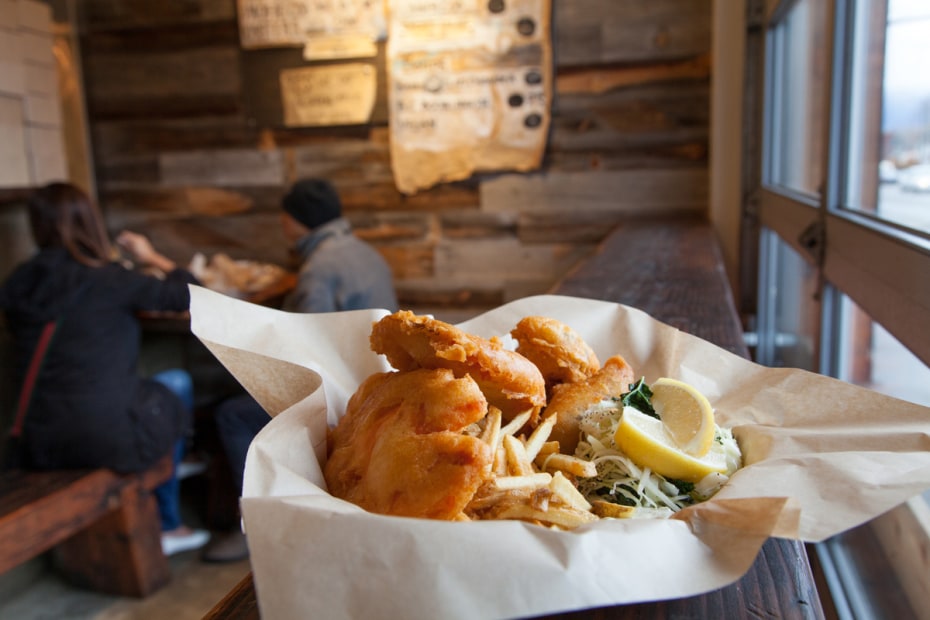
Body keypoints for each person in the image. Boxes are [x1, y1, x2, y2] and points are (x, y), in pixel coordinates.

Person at [0, 182, 210, 556]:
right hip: (104, 439)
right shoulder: (111, 280)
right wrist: (152, 256)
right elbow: (192, 293)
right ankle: (168, 521)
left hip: (40, 440)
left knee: (132, 393)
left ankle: (177, 467)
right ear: (89, 223)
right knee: (175, 383)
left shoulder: (18, 283)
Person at [202, 178, 398, 562]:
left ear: (296, 220)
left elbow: (304, 348)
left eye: (284, 215)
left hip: (345, 390)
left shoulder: (319, 268)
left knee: (231, 414)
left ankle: (257, 524)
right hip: (377, 377)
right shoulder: (366, 252)